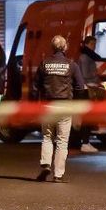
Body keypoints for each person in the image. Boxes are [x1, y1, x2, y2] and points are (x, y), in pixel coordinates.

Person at [32, 35, 85, 183]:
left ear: (52, 47)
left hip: (48, 105)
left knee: (47, 137)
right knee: (62, 141)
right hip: (65, 106)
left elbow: (35, 87)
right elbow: (80, 87)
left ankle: (46, 165)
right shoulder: (72, 65)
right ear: (65, 47)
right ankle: (58, 175)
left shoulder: (44, 64)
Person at [77, 36, 105, 153]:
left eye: (95, 43)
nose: (94, 46)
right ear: (86, 44)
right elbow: (86, 75)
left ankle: (85, 142)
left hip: (86, 89)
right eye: (92, 43)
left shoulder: (87, 56)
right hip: (87, 90)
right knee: (86, 118)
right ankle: (85, 143)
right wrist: (95, 83)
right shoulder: (85, 57)